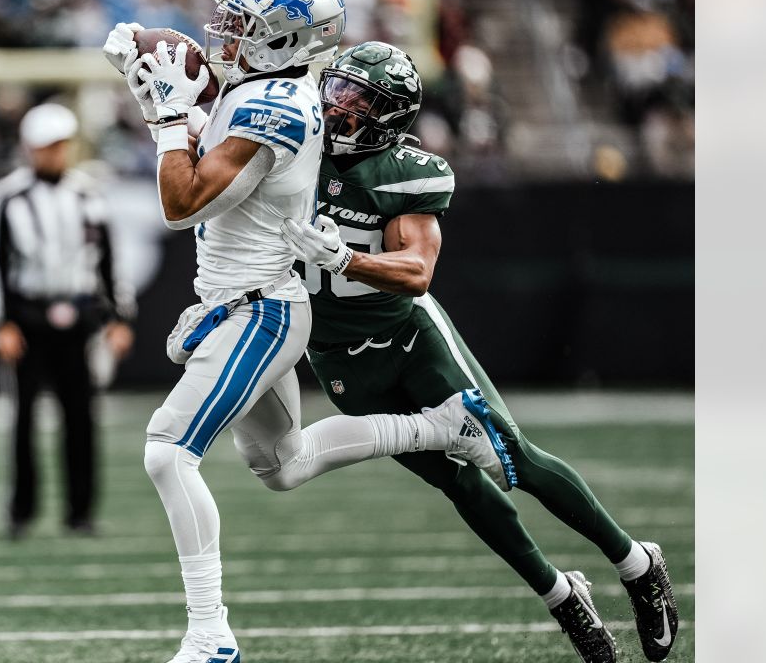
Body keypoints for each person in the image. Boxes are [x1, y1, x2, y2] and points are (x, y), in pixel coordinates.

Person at [102, 0, 513, 663]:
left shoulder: (281, 106)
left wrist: (167, 114)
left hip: (259, 312)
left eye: (245, 25)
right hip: (244, 303)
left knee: (168, 453)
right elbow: (206, 111)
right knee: (283, 465)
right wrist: (156, 66)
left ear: (286, 42)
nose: (226, 31)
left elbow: (182, 202)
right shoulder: (263, 88)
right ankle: (441, 426)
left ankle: (210, 636)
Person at [278, 41, 680, 663]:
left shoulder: (407, 171)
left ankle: (635, 562)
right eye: (337, 90)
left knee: (509, 455)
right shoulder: (296, 145)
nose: (338, 108)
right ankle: (563, 598)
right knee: (458, 483)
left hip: (409, 337)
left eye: (358, 100)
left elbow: (415, 271)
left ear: (390, 116)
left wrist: (344, 258)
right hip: (334, 352)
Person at [0, 102, 136, 539]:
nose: (54, 154)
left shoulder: (89, 194)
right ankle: (21, 511)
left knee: (82, 417)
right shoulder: (10, 197)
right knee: (22, 418)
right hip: (28, 317)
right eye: (47, 146)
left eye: (60, 145)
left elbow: (109, 261)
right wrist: (2, 323)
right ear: (30, 148)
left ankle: (80, 511)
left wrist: (119, 318)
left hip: (80, 315)